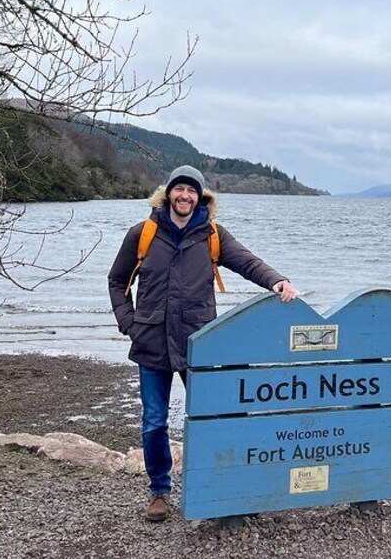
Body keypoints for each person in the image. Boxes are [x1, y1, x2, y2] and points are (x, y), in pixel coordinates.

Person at [108, 165, 297, 522]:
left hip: (199, 342)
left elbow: (248, 262)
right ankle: (159, 492)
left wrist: (277, 281)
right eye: (179, 189)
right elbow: (117, 282)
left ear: (201, 197)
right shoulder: (143, 233)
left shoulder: (212, 235)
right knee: (154, 421)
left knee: (216, 417)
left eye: (191, 191)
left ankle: (222, 488)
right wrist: (128, 322)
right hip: (151, 342)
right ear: (168, 194)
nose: (185, 196)